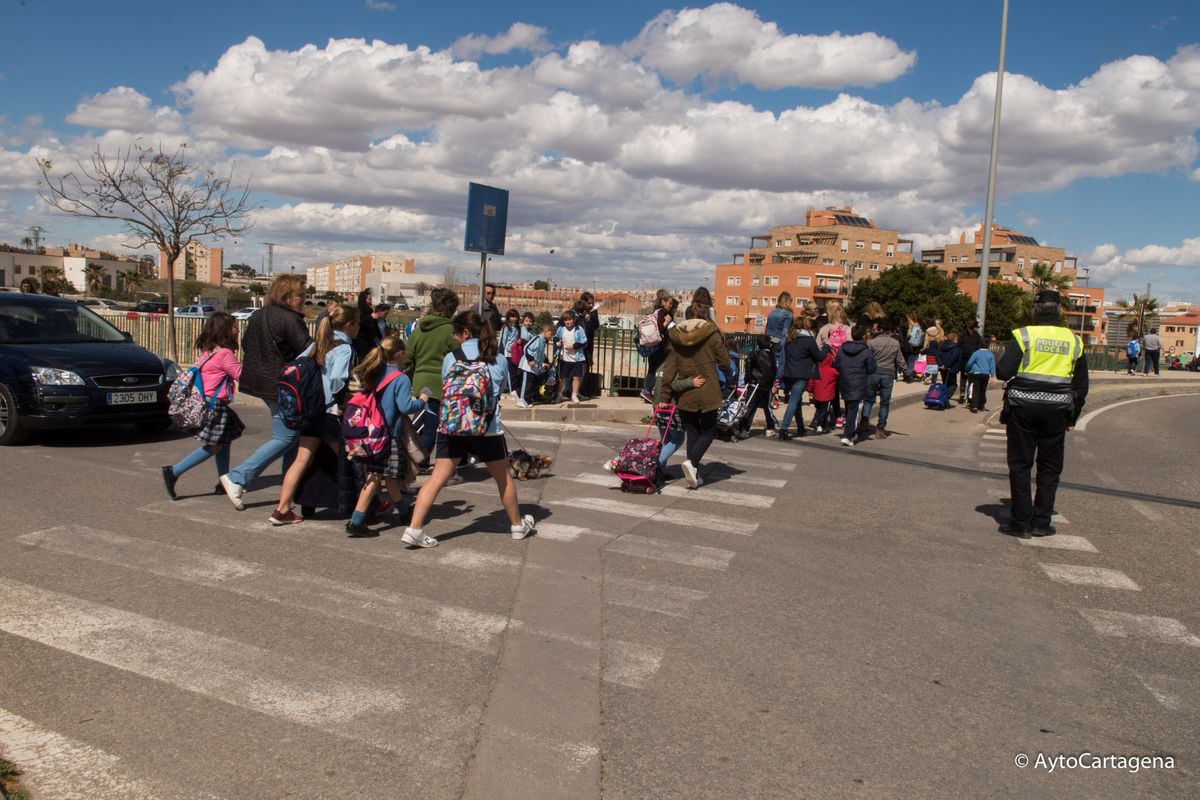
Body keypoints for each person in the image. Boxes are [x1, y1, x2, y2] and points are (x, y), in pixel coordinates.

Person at [402, 309, 536, 547]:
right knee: (503, 478)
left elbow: (446, 387)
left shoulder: (451, 358)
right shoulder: (498, 358)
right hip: (488, 428)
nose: (454, 337)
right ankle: (517, 525)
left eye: (455, 333)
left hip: (452, 426)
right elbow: (499, 391)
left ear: (465, 333)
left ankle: (414, 528)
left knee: (436, 479)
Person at [996, 291, 1089, 538]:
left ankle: (1019, 523)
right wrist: (1072, 417)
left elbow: (1003, 372)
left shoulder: (1024, 335)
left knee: (1020, 465)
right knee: (1049, 468)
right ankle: (1041, 522)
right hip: (1057, 412)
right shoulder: (1074, 340)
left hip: (1022, 410)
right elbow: (1081, 386)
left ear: (1035, 310)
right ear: (1059, 311)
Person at [219, 274, 312, 510]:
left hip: (261, 383)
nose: (303, 299)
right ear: (287, 296)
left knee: (291, 436)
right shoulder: (290, 319)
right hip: (281, 385)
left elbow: (250, 345)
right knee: (286, 437)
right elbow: (308, 349)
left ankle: (289, 488)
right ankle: (238, 477)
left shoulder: (259, 315)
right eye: (300, 295)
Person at [268, 304, 360, 525]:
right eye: (357, 324)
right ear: (348, 326)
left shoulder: (316, 345)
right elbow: (338, 378)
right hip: (329, 411)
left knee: (301, 460)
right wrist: (342, 399)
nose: (358, 328)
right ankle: (367, 504)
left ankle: (282, 509)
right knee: (351, 458)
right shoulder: (345, 348)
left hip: (310, 410)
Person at [343, 337, 430, 537]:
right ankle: (356, 522)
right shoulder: (400, 378)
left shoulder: (376, 372)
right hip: (388, 434)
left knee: (389, 477)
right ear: (400, 355)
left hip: (373, 431)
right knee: (374, 479)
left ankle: (404, 512)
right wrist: (423, 400)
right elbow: (406, 407)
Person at [161, 313, 245, 499]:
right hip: (216, 405)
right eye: (233, 326)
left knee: (223, 442)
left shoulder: (209, 351)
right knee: (215, 446)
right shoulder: (225, 354)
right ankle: (174, 471)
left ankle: (224, 481)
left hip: (208, 403)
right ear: (224, 330)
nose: (237, 330)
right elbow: (242, 376)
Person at [658, 296, 728, 489]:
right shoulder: (712, 334)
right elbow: (725, 362)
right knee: (710, 430)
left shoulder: (675, 337)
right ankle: (692, 463)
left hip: (687, 392)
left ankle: (693, 474)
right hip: (708, 390)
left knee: (693, 432)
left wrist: (664, 396)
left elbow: (669, 371)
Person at [404, 287, 460, 471]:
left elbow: (407, 359)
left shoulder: (418, 330)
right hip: (441, 386)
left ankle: (415, 460)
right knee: (432, 429)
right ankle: (416, 463)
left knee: (420, 425)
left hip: (420, 384)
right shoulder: (451, 332)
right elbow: (459, 359)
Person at [778, 316, 827, 440]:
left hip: (789, 373)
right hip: (801, 374)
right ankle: (784, 428)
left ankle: (800, 426)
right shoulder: (808, 340)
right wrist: (826, 347)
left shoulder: (789, 339)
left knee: (797, 400)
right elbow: (819, 357)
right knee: (794, 401)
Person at [832, 325, 875, 446]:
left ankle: (850, 433)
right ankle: (848, 435)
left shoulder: (842, 349)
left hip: (845, 381)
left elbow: (836, 365)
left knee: (849, 407)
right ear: (863, 336)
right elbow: (872, 368)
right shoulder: (866, 351)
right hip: (858, 382)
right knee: (853, 410)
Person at [863, 321, 906, 439]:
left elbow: (866, 358)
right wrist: (907, 372)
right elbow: (900, 360)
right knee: (884, 403)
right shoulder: (895, 343)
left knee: (868, 400)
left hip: (873, 373)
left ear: (880, 329)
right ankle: (880, 429)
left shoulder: (871, 343)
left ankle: (864, 421)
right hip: (888, 374)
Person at [736, 334, 778, 439]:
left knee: (750, 406)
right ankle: (770, 428)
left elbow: (748, 367)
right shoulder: (772, 356)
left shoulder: (754, 354)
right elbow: (774, 371)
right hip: (766, 385)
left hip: (754, 384)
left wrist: (748, 379)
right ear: (770, 344)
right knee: (767, 407)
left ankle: (744, 429)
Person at [640, 290, 676, 403]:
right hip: (659, 346)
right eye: (669, 303)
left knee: (653, 368)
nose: (670, 306)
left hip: (654, 345)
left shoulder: (655, 311)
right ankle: (648, 391)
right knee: (659, 369)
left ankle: (647, 390)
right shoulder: (661, 312)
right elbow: (659, 328)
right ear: (663, 302)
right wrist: (668, 321)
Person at [517, 322, 554, 408]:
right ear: (545, 331)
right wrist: (530, 360)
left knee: (531, 384)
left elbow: (541, 354)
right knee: (526, 383)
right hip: (527, 366)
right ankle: (522, 399)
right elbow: (526, 348)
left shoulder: (543, 342)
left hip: (534, 368)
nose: (551, 336)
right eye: (550, 334)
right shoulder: (538, 338)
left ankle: (527, 398)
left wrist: (547, 361)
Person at [556, 309, 587, 404]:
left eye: (569, 320)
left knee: (577, 377)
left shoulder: (579, 329)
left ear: (574, 320)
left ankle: (574, 395)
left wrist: (573, 346)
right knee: (563, 378)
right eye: (565, 320)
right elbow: (556, 338)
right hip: (564, 358)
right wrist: (558, 343)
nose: (567, 322)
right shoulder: (561, 329)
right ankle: (559, 394)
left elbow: (584, 342)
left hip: (577, 358)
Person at [808, 347, 839, 434]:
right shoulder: (833, 371)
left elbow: (811, 382)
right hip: (827, 395)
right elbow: (839, 375)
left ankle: (817, 423)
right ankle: (821, 426)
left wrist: (810, 390)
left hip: (817, 394)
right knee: (824, 412)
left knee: (818, 409)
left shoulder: (816, 370)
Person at [764, 293, 794, 381]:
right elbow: (785, 332)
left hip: (768, 340)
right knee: (779, 364)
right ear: (787, 301)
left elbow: (767, 329)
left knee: (769, 363)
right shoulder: (788, 314)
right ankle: (776, 384)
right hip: (779, 341)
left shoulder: (772, 312)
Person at [577, 292, 601, 396]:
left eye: (592, 303)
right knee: (578, 367)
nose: (591, 305)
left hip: (589, 344)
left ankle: (582, 390)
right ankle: (575, 390)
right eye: (589, 303)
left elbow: (596, 326)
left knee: (587, 366)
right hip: (579, 345)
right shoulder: (579, 311)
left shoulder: (593, 312)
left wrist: (591, 316)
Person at [964, 336, 996, 413]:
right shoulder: (990, 354)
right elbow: (992, 365)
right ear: (988, 345)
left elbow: (970, 363)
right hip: (985, 374)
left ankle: (974, 406)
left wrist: (966, 370)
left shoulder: (976, 353)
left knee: (976, 389)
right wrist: (992, 375)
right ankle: (981, 405)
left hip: (976, 373)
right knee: (983, 390)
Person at [497, 308, 523, 397]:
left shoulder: (518, 328)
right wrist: (501, 353)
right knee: (510, 373)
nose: (514, 319)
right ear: (508, 317)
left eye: (515, 317)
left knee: (516, 372)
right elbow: (502, 341)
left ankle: (514, 390)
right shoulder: (505, 328)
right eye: (512, 317)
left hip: (516, 353)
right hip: (507, 353)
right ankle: (511, 391)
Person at [958, 319, 984, 404]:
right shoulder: (977, 336)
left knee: (963, 377)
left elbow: (959, 346)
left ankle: (962, 393)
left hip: (964, 359)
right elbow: (979, 348)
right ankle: (969, 396)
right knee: (971, 379)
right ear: (975, 327)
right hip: (973, 360)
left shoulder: (963, 335)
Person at [939, 332, 963, 403]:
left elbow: (939, 356)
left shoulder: (942, 346)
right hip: (951, 368)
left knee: (945, 383)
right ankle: (945, 398)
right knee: (953, 385)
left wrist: (942, 365)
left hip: (943, 368)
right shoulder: (956, 348)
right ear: (954, 339)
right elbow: (953, 358)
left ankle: (944, 400)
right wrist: (947, 365)